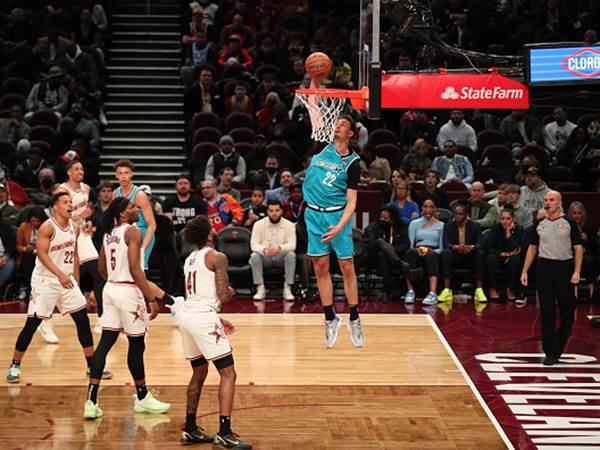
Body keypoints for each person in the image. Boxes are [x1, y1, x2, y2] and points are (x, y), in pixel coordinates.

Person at [6, 193, 111, 383]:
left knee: (82, 320)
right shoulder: (47, 227)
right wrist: (60, 275)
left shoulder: (74, 227)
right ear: (55, 207)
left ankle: (91, 365)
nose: (70, 205)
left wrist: (75, 280)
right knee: (32, 324)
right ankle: (15, 365)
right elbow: (42, 255)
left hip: (66, 279)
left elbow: (75, 255)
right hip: (46, 280)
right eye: (65, 202)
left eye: (71, 202)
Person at [83, 197, 170, 419]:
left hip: (110, 289)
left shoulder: (107, 234)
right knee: (136, 343)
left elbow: (102, 267)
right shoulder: (132, 232)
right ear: (122, 214)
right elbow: (134, 268)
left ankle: (91, 401)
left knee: (105, 343)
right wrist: (151, 298)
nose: (136, 209)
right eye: (132, 207)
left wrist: (114, 280)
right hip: (128, 291)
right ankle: (142, 397)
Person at [169, 216, 251, 448]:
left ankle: (191, 428)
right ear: (208, 236)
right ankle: (225, 432)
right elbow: (223, 295)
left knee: (199, 372)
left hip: (188, 317)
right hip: (203, 318)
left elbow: (199, 295)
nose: (215, 230)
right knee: (229, 374)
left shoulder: (189, 259)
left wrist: (215, 316)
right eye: (212, 229)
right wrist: (232, 290)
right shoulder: (218, 257)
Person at [302, 114, 365, 349]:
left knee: (347, 266)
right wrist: (315, 82)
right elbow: (316, 110)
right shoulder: (322, 146)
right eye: (335, 123)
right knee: (320, 267)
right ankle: (330, 317)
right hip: (313, 214)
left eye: (342, 125)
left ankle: (355, 317)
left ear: (350, 134)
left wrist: (339, 227)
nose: (336, 126)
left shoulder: (353, 164)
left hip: (337, 216)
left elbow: (352, 202)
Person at [521, 191, 583, 366]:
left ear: (559, 203)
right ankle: (550, 352)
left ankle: (558, 346)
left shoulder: (569, 222)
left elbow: (578, 248)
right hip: (544, 268)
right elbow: (533, 248)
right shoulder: (539, 223)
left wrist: (577, 271)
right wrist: (525, 270)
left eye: (552, 200)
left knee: (567, 311)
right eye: (546, 200)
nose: (548, 203)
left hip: (564, 267)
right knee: (547, 312)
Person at [56, 161, 105, 335]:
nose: (80, 172)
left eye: (82, 169)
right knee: (63, 279)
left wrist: (87, 221)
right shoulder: (61, 190)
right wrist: (79, 217)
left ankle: (102, 318)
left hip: (83, 236)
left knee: (99, 274)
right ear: (68, 172)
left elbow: (87, 212)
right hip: (66, 234)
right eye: (76, 169)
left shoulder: (86, 188)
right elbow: (60, 215)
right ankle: (43, 318)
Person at [112, 160, 156, 270]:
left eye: (126, 173)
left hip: (141, 234)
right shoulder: (115, 194)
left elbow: (152, 224)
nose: (123, 176)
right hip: (123, 235)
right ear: (116, 175)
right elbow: (114, 220)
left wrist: (144, 247)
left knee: (139, 271)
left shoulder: (139, 195)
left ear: (132, 174)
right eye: (120, 173)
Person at [438, 203, 487, 303]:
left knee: (480, 253)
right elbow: (446, 243)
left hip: (470, 255)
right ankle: (447, 290)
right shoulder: (448, 226)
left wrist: (471, 247)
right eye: (456, 214)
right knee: (446, 253)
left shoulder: (475, 226)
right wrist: (455, 247)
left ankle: (479, 290)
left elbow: (480, 243)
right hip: (455, 256)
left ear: (466, 215)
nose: (457, 216)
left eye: (460, 214)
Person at [250, 200, 296, 301]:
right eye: (271, 211)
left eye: (277, 210)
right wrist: (264, 249)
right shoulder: (258, 224)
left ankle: (287, 288)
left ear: (281, 211)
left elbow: (293, 245)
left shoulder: (289, 225)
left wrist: (279, 248)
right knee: (254, 256)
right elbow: (253, 244)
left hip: (281, 256)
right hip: (265, 256)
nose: (274, 213)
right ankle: (260, 287)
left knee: (291, 255)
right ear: (267, 212)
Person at [363, 206, 409, 302]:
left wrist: (390, 251)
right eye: (381, 217)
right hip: (373, 259)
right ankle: (397, 262)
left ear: (392, 219)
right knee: (380, 243)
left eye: (386, 218)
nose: (383, 220)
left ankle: (386, 291)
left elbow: (405, 245)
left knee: (383, 255)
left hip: (393, 256)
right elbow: (369, 246)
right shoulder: (372, 227)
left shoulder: (399, 228)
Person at [404, 198, 444, 305]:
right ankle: (410, 291)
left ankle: (432, 293)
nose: (428, 209)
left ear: (435, 209)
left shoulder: (441, 225)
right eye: (425, 206)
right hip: (417, 249)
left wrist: (432, 250)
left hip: (433, 250)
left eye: (431, 207)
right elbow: (410, 244)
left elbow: (442, 248)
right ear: (422, 209)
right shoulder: (414, 223)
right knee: (409, 253)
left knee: (431, 255)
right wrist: (417, 250)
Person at [486, 207, 524, 302]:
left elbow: (516, 249)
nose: (505, 221)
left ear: (513, 219)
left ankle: (510, 289)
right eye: (502, 219)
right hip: (497, 256)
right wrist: (501, 253)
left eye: (508, 219)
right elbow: (488, 246)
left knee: (516, 260)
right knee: (491, 258)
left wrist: (508, 233)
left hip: (511, 257)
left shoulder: (519, 229)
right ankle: (492, 289)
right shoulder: (495, 228)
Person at [16, 207, 46, 300]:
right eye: (33, 221)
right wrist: (25, 248)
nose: (35, 223)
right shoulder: (24, 226)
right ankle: (28, 289)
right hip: (29, 254)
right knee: (28, 257)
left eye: (37, 221)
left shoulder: (48, 226)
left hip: (45, 255)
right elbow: (18, 245)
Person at [568, 201, 597, 299]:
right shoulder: (567, 227)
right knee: (571, 261)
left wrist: (587, 239)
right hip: (571, 254)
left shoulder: (588, 227)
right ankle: (574, 293)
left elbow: (595, 247)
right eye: (574, 213)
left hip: (587, 255)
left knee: (588, 261)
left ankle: (591, 293)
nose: (577, 216)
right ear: (570, 214)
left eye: (579, 213)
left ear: (583, 214)